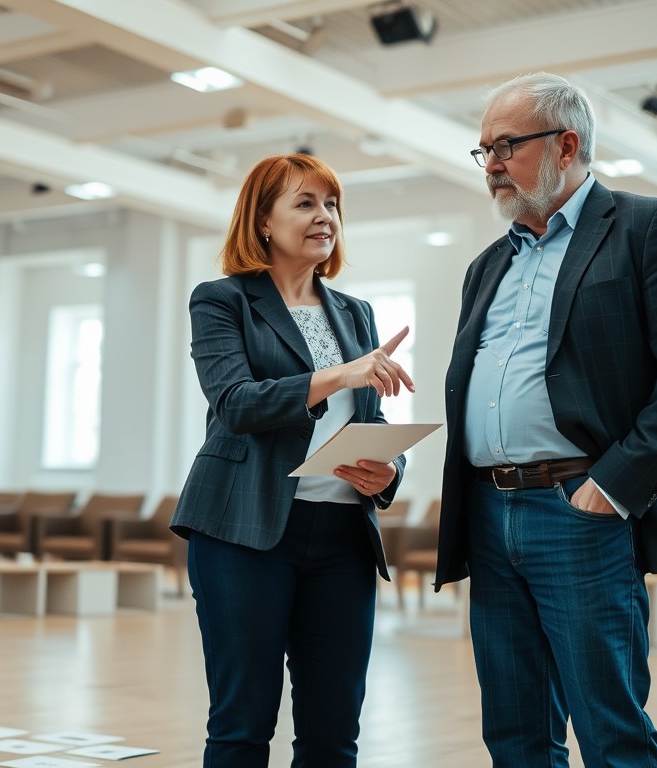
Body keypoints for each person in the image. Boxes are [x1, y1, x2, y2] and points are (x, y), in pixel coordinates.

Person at [433, 72, 657, 767]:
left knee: (611, 731)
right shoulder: (487, 266)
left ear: (566, 144)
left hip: (579, 511)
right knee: (514, 735)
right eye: (482, 150)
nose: (490, 166)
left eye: (505, 147)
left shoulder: (646, 227)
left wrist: (613, 487)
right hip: (490, 513)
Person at [170, 153, 413, 768]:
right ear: (262, 222)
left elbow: (371, 422)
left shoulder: (353, 312)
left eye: (330, 204)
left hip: (342, 538)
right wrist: (339, 374)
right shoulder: (222, 301)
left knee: (334, 733)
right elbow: (236, 404)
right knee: (242, 726)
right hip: (242, 533)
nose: (324, 216)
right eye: (304, 203)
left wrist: (387, 474)